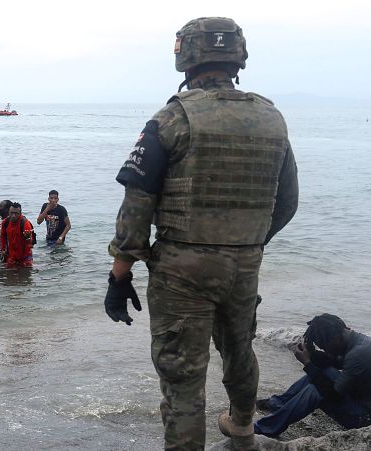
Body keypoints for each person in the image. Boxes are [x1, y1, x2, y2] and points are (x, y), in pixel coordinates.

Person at [104, 17, 299, 450]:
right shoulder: (272, 118)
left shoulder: (173, 118)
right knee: (239, 349)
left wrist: (119, 276)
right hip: (245, 263)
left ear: (185, 58)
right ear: (237, 58)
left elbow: (137, 206)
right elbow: (286, 203)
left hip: (182, 270)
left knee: (182, 375)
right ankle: (243, 427)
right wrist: (248, 243)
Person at [254, 314, 371, 438]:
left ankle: (265, 428)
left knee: (316, 391)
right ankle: (277, 404)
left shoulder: (358, 355)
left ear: (334, 338)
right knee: (324, 372)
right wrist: (312, 354)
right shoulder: (359, 342)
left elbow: (333, 395)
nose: (325, 350)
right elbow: (333, 361)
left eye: (324, 346)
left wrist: (307, 363)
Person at [0, 202, 34, 267]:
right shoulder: (5, 222)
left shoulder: (25, 223)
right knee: (8, 275)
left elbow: (31, 244)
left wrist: (28, 238)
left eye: (16, 213)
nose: (13, 216)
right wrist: (3, 249)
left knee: (26, 274)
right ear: (8, 212)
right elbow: (2, 236)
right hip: (11, 255)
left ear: (20, 213)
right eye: (11, 213)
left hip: (25, 256)